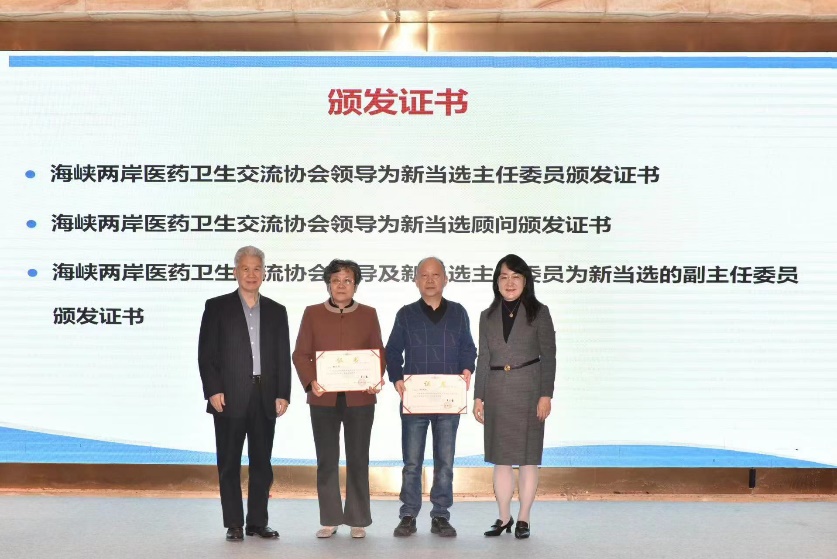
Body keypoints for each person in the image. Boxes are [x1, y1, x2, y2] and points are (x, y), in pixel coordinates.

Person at [198, 245, 292, 542]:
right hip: (229, 397)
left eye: (257, 269)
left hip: (265, 396)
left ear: (264, 273)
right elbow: (206, 354)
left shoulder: (277, 310)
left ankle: (257, 522)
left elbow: (282, 355)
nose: (252, 274)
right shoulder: (217, 307)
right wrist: (213, 389)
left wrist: (283, 393)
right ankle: (234, 523)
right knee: (229, 463)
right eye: (246, 269)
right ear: (235, 272)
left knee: (262, 463)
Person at [292, 259, 385, 539]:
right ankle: (330, 518)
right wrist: (311, 381)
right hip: (323, 399)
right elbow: (300, 354)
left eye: (347, 280)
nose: (341, 286)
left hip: (360, 399)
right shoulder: (312, 313)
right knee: (326, 459)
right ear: (328, 285)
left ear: (355, 285)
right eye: (335, 280)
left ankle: (358, 518)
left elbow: (378, 353)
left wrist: (375, 378)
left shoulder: (368, 314)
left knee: (358, 459)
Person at [385, 257, 477, 538]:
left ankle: (440, 515)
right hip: (415, 399)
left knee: (444, 463)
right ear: (415, 280)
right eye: (424, 275)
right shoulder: (406, 314)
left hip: (448, 401)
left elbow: (468, 348)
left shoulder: (459, 313)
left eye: (436, 275)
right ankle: (408, 514)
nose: (430, 280)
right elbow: (392, 351)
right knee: (412, 463)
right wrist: (397, 378)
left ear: (446, 279)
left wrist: (467, 369)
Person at [473, 254, 556, 540]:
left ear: (525, 281)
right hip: (496, 391)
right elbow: (483, 358)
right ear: (496, 282)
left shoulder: (539, 312)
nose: (510, 283)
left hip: (530, 391)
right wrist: (478, 396)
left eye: (516, 277)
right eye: (504, 277)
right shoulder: (486, 316)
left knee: (528, 458)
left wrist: (546, 394)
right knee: (501, 459)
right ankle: (504, 516)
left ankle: (524, 518)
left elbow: (549, 356)